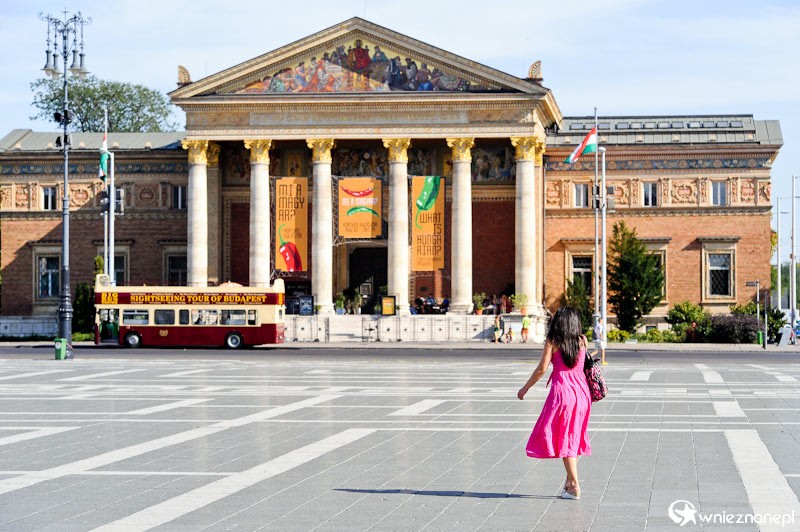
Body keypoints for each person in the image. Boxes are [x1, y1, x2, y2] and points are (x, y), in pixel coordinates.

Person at [517, 306, 592, 500]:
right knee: (573, 435)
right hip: (582, 394)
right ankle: (568, 483)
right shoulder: (582, 340)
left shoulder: (553, 341)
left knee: (564, 437)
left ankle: (574, 485)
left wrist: (525, 388)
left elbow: (542, 369)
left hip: (562, 393)